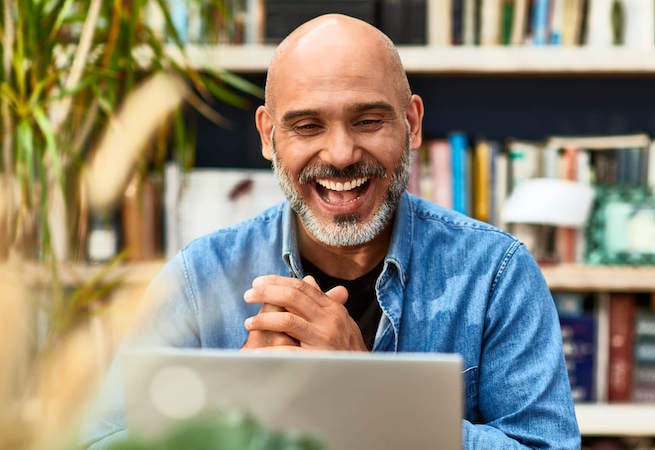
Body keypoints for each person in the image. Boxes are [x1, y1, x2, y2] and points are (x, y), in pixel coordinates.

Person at [83, 13, 580, 449]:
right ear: (267, 136)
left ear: (412, 124)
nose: (341, 154)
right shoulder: (197, 279)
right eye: (307, 126)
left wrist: (367, 391)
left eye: (367, 120)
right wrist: (228, 409)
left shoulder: (496, 275)